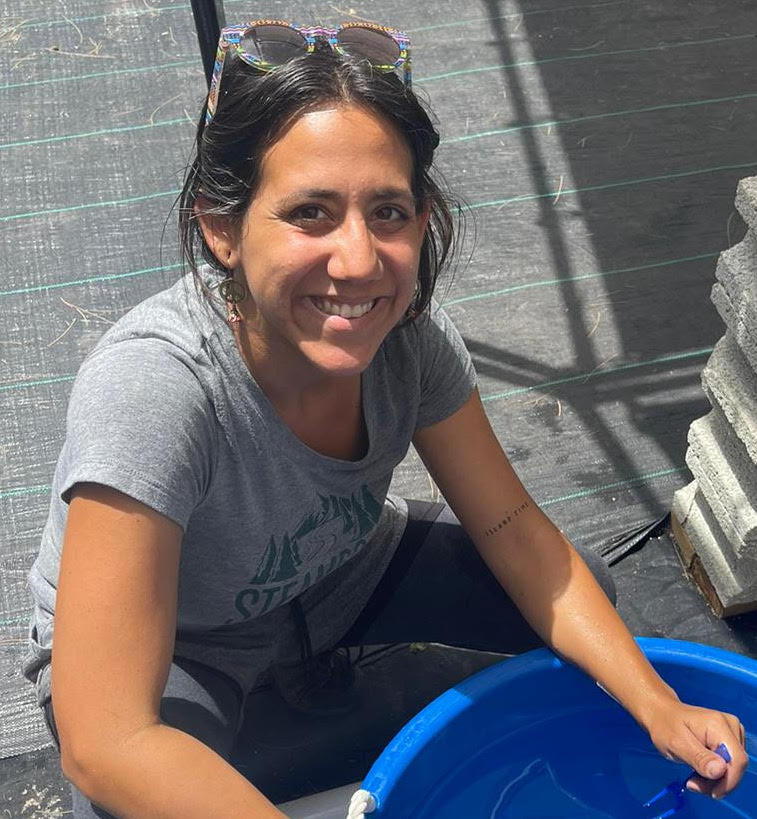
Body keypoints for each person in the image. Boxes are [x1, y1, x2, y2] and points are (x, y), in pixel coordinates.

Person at [22, 19, 746, 819]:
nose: (360, 260)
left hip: (332, 570)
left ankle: (308, 656)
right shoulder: (155, 389)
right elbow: (108, 737)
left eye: (388, 213)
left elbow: (511, 525)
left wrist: (656, 701)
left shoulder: (410, 345)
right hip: (190, 639)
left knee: (591, 589)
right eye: (310, 213)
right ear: (221, 228)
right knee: (115, 799)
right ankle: (265, 680)